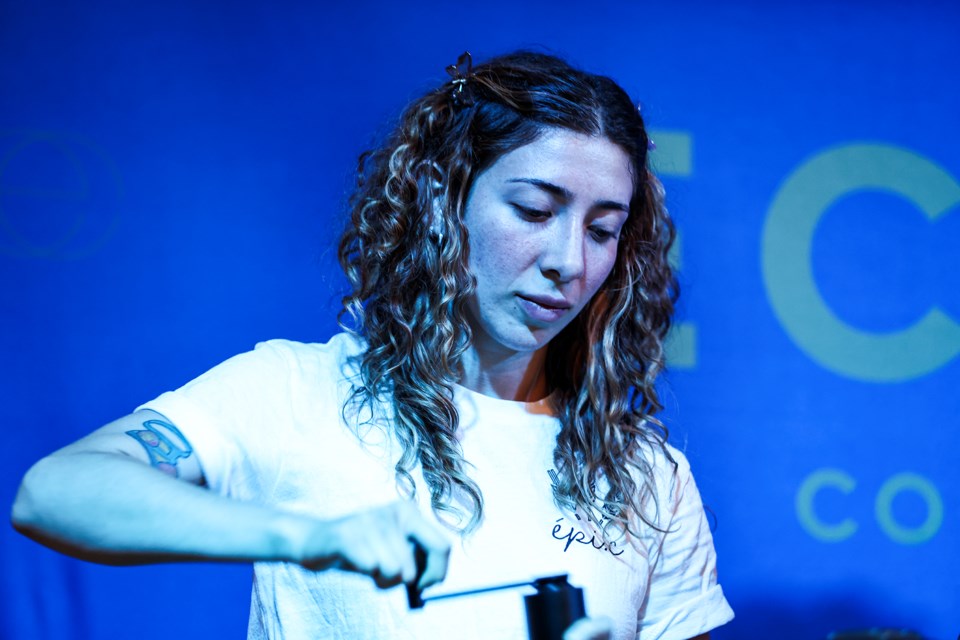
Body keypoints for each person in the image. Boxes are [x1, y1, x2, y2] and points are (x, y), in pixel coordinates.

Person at [12, 51, 734, 639]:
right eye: (534, 210)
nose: (568, 261)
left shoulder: (648, 476)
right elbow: (54, 494)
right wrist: (307, 536)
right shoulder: (298, 391)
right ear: (444, 202)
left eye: (602, 229)